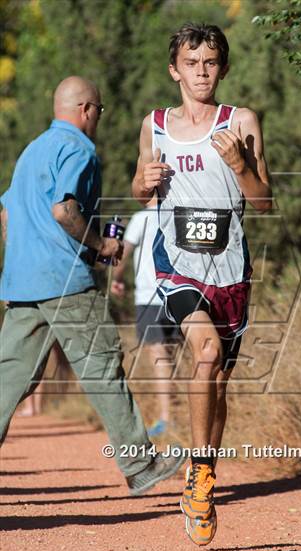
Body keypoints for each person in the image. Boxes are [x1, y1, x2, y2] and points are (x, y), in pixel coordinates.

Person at [0, 75, 185, 495]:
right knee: (102, 366)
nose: (99, 118)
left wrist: (28, 258)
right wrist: (100, 243)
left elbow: (7, 215)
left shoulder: (32, 151)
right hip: (66, 281)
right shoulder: (78, 148)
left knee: (9, 378)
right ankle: (140, 465)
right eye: (99, 110)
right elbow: (65, 210)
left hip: (23, 282)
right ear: (86, 110)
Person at [132, 24, 271, 545]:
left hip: (230, 269)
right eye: (191, 63)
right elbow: (141, 188)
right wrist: (141, 184)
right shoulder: (156, 124)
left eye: (211, 62)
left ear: (224, 67)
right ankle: (200, 475)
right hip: (177, 266)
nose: (201, 72)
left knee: (218, 384)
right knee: (206, 354)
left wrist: (240, 166)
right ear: (175, 70)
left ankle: (202, 472)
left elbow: (264, 202)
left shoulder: (242, 122)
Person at [111, 194, 182, 436]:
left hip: (150, 295)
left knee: (159, 356)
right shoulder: (178, 214)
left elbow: (123, 253)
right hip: (182, 293)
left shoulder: (141, 218)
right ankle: (180, 416)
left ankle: (168, 419)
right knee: (175, 356)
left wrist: (117, 279)